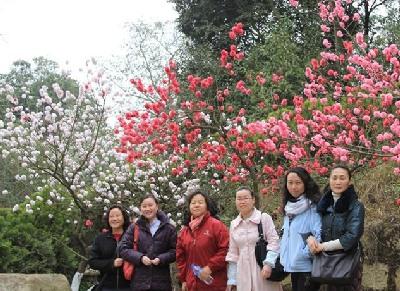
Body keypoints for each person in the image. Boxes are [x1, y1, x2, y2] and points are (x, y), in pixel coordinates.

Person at [307, 164, 365, 291]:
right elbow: (312, 228)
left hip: (347, 260)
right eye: (334, 178)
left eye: (342, 178)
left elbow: (352, 236)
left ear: (349, 181)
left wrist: (323, 246)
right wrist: (310, 239)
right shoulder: (323, 205)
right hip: (324, 261)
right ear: (329, 180)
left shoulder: (356, 206)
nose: (338, 182)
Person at [226, 186, 282, 291]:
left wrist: (268, 264)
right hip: (243, 272)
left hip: (262, 268)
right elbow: (233, 253)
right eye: (239, 199)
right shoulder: (234, 224)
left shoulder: (263, 218)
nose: (242, 201)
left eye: (245, 198)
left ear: (253, 200)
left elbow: (274, 242)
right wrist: (232, 279)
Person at [119, 194, 177, 291]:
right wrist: (140, 257)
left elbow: (175, 251)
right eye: (144, 206)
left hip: (161, 282)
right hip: (139, 282)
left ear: (157, 206)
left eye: (150, 205)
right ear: (140, 208)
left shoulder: (168, 228)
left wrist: (160, 259)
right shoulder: (134, 227)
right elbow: (123, 248)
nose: (147, 208)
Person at [176, 190, 229, 291]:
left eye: (200, 202)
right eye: (193, 203)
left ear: (206, 205)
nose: (196, 205)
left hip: (214, 283)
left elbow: (225, 250)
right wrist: (183, 279)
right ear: (189, 207)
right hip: (192, 283)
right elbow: (181, 258)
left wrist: (210, 267)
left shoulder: (216, 225)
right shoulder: (184, 232)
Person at [280, 167, 322, 291]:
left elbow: (318, 235)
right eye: (290, 182)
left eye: (298, 183)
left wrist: (303, 254)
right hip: (294, 266)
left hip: (308, 268)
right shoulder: (289, 208)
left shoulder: (312, 207)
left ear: (306, 183)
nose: (294, 187)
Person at [88, 205, 131, 291]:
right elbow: (93, 261)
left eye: (118, 215)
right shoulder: (100, 239)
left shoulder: (132, 237)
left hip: (130, 286)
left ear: (124, 218)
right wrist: (112, 263)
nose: (114, 219)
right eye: (111, 216)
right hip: (107, 286)